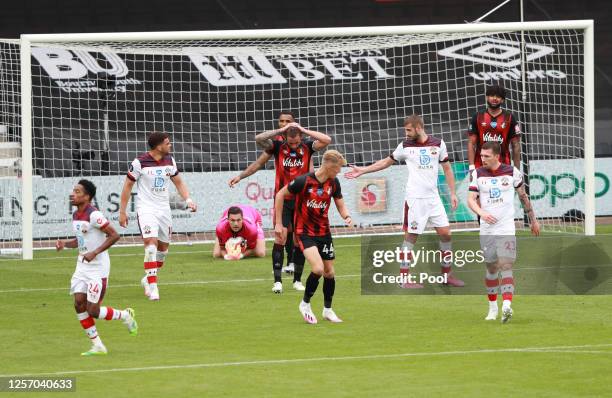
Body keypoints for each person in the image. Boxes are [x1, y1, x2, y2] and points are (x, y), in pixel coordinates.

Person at [345, 114, 464, 288]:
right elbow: (386, 162)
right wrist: (362, 170)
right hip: (415, 199)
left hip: (434, 198)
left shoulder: (439, 144)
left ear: (418, 128)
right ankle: (404, 278)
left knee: (446, 234)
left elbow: (447, 168)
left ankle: (447, 275)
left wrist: (453, 193)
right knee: (411, 237)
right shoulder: (405, 146)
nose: (406, 133)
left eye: (408, 130)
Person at [232, 114, 331, 293]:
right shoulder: (277, 147)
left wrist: (302, 129)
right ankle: (277, 281)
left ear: (300, 137)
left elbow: (327, 139)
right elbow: (258, 139)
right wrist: (281, 130)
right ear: (285, 137)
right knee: (280, 237)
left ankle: (297, 281)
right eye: (290, 141)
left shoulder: (308, 146)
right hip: (283, 200)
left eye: (296, 141)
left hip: (303, 201)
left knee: (299, 239)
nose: (293, 144)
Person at [56, 180, 137, 356]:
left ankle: (125, 316)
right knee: (78, 304)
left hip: (98, 268)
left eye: (77, 192)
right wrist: (65, 244)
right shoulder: (76, 215)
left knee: (92, 310)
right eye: (73, 191)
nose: (73, 194)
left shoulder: (94, 215)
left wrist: (95, 252)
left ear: (87, 197)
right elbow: (80, 241)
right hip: (82, 265)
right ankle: (98, 345)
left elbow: (114, 235)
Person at [119, 131, 197, 301]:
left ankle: (147, 278)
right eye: (167, 143)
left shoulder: (170, 160)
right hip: (146, 209)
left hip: (164, 210)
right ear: (158, 146)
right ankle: (153, 287)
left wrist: (188, 199)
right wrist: (122, 212)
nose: (171, 145)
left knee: (163, 250)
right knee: (151, 245)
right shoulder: (139, 163)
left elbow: (179, 182)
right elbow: (127, 186)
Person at [275, 150, 351, 324]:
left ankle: (328, 310)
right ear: (328, 166)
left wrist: (346, 216)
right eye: (338, 168)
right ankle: (305, 304)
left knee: (329, 273)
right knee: (317, 269)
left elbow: (340, 203)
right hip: (304, 232)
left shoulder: (334, 182)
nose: (339, 171)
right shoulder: (304, 181)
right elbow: (280, 194)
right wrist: (279, 224)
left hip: (324, 232)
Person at [468, 141, 540, 323]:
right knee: (491, 268)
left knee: (506, 265)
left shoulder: (512, 172)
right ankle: (492, 308)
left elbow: (523, 196)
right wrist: (481, 212)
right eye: (481, 156)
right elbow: (471, 199)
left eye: (486, 156)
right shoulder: (477, 173)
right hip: (487, 229)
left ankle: (506, 306)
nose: (482, 159)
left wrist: (533, 219)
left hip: (506, 227)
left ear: (496, 156)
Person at [228, 111, 308, 274]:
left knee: (297, 232)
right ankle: (283, 264)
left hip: (301, 195)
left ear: (295, 124)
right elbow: (258, 163)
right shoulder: (276, 145)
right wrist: (240, 176)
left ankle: (293, 263)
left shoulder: (302, 143)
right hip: (282, 195)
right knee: (284, 230)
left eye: (288, 121)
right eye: (281, 121)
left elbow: (311, 165)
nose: (284, 123)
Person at [467, 84, 522, 172]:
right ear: (487, 97)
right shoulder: (477, 117)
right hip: (480, 167)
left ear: (503, 100)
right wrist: (471, 167)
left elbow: (515, 145)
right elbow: (471, 143)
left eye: (498, 96)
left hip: (504, 167)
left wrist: (517, 170)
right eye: (492, 95)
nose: (494, 98)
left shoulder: (509, 118)